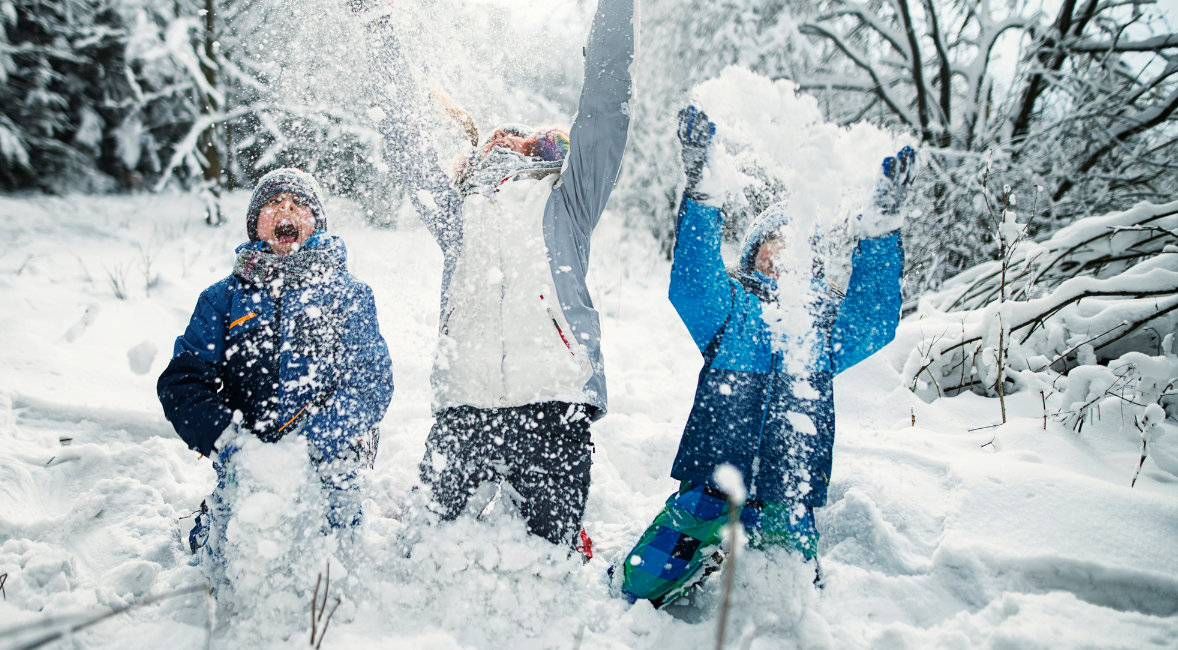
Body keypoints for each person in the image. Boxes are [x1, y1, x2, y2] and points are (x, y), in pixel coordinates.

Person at [346, 0, 635, 550]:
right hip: (465, 406)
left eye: (521, 137)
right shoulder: (457, 213)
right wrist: (376, 27)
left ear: (543, 150)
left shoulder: (568, 202)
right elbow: (405, 138)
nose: (506, 140)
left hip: (553, 403)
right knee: (423, 552)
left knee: (547, 565)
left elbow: (603, 111)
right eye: (496, 138)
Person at [615, 106, 914, 606]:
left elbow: (875, 318)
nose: (785, 252)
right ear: (754, 251)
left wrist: (880, 231)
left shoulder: (824, 324)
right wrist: (703, 197)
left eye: (797, 245)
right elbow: (691, 285)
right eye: (774, 241)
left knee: (789, 601)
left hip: (788, 489)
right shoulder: (731, 308)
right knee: (641, 583)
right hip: (714, 481)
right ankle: (700, 557)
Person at [156, 168, 394, 571]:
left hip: (329, 455)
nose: (286, 208)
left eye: (299, 204)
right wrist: (230, 443)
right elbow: (183, 382)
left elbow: (371, 381)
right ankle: (214, 516)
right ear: (255, 225)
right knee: (233, 563)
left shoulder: (349, 294)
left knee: (332, 564)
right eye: (273, 203)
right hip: (247, 458)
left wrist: (319, 441)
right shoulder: (222, 299)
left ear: (315, 224)